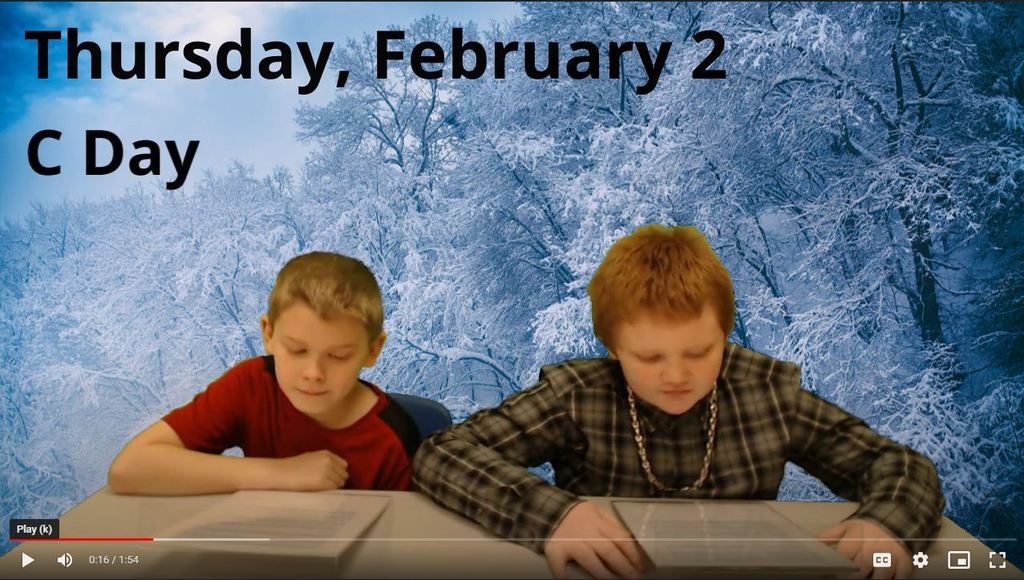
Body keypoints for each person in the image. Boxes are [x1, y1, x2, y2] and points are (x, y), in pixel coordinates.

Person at [413, 225, 944, 579]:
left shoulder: (765, 393)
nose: (676, 375)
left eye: (699, 351)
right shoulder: (578, 394)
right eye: (648, 357)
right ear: (613, 347)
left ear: (725, 334)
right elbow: (442, 453)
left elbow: (897, 464)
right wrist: (548, 516)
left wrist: (885, 525)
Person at [108, 251, 418, 494]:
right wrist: (281, 473)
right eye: (296, 350)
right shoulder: (252, 385)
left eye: (338, 356)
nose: (313, 373)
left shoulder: (394, 440)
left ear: (373, 350)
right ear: (268, 334)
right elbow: (129, 468)